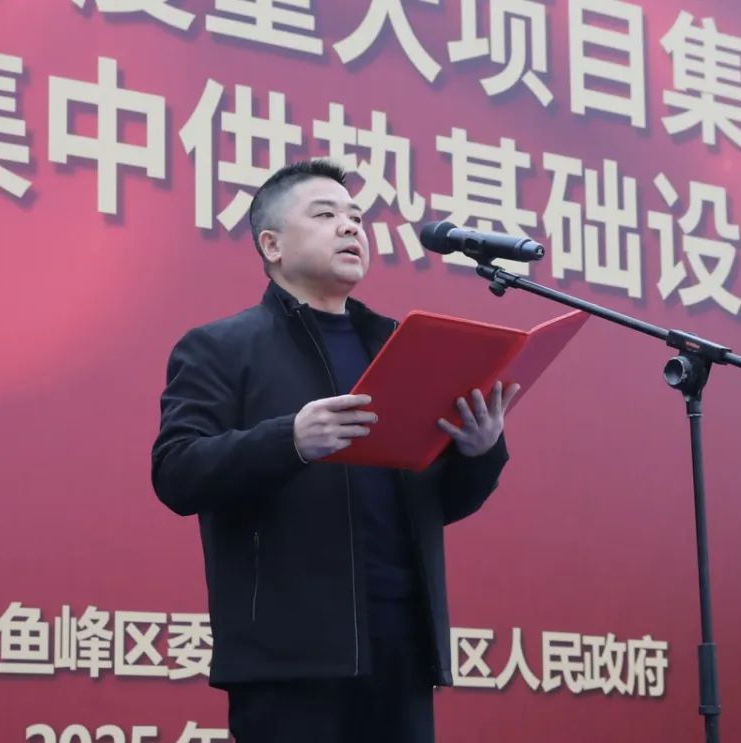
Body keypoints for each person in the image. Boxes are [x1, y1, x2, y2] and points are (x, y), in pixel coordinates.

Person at [151, 159, 519, 743]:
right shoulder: (220, 347)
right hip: (289, 655)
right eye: (325, 215)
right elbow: (177, 472)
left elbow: (435, 505)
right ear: (272, 245)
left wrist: (478, 453)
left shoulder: (401, 346)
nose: (350, 227)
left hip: (402, 644)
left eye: (356, 218)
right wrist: (290, 440)